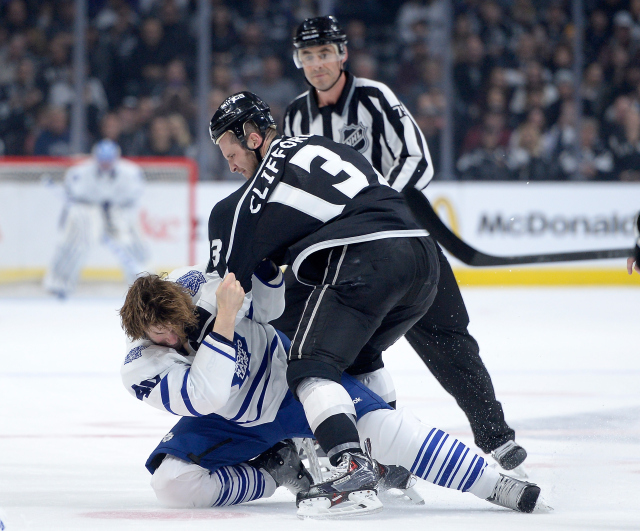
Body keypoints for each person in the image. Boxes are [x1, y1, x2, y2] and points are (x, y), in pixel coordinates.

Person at [280, 15, 527, 472]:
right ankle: (379, 457)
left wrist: (380, 204)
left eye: (324, 53)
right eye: (307, 56)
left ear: (343, 54)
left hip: (402, 237)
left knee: (449, 338)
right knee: (347, 354)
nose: (317, 64)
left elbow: (417, 157)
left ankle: (496, 437)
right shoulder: (296, 114)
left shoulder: (375, 98)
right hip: (344, 254)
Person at [119, 264, 542, 516]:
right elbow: (207, 396)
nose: (172, 336)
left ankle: (495, 484)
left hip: (289, 381)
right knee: (171, 485)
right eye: (159, 332)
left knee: (392, 433)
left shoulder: (200, 286)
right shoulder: (140, 367)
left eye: (175, 323)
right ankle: (274, 471)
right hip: (229, 419)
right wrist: (227, 320)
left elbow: (271, 311)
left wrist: (264, 274)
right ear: (140, 331)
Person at [206, 90, 443, 515]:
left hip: (366, 258)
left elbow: (223, 296)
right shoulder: (319, 143)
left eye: (231, 152)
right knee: (358, 356)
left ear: (252, 136)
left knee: (308, 363)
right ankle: (391, 471)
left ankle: (351, 471)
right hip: (423, 258)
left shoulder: (240, 206)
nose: (232, 166)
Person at [43, 139, 148, 298]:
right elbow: (73, 197)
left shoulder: (131, 173)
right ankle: (59, 284)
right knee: (76, 245)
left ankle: (144, 286)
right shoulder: (79, 172)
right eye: (102, 160)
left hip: (118, 209)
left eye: (109, 161)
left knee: (130, 244)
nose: (105, 164)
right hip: (87, 209)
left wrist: (114, 213)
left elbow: (134, 198)